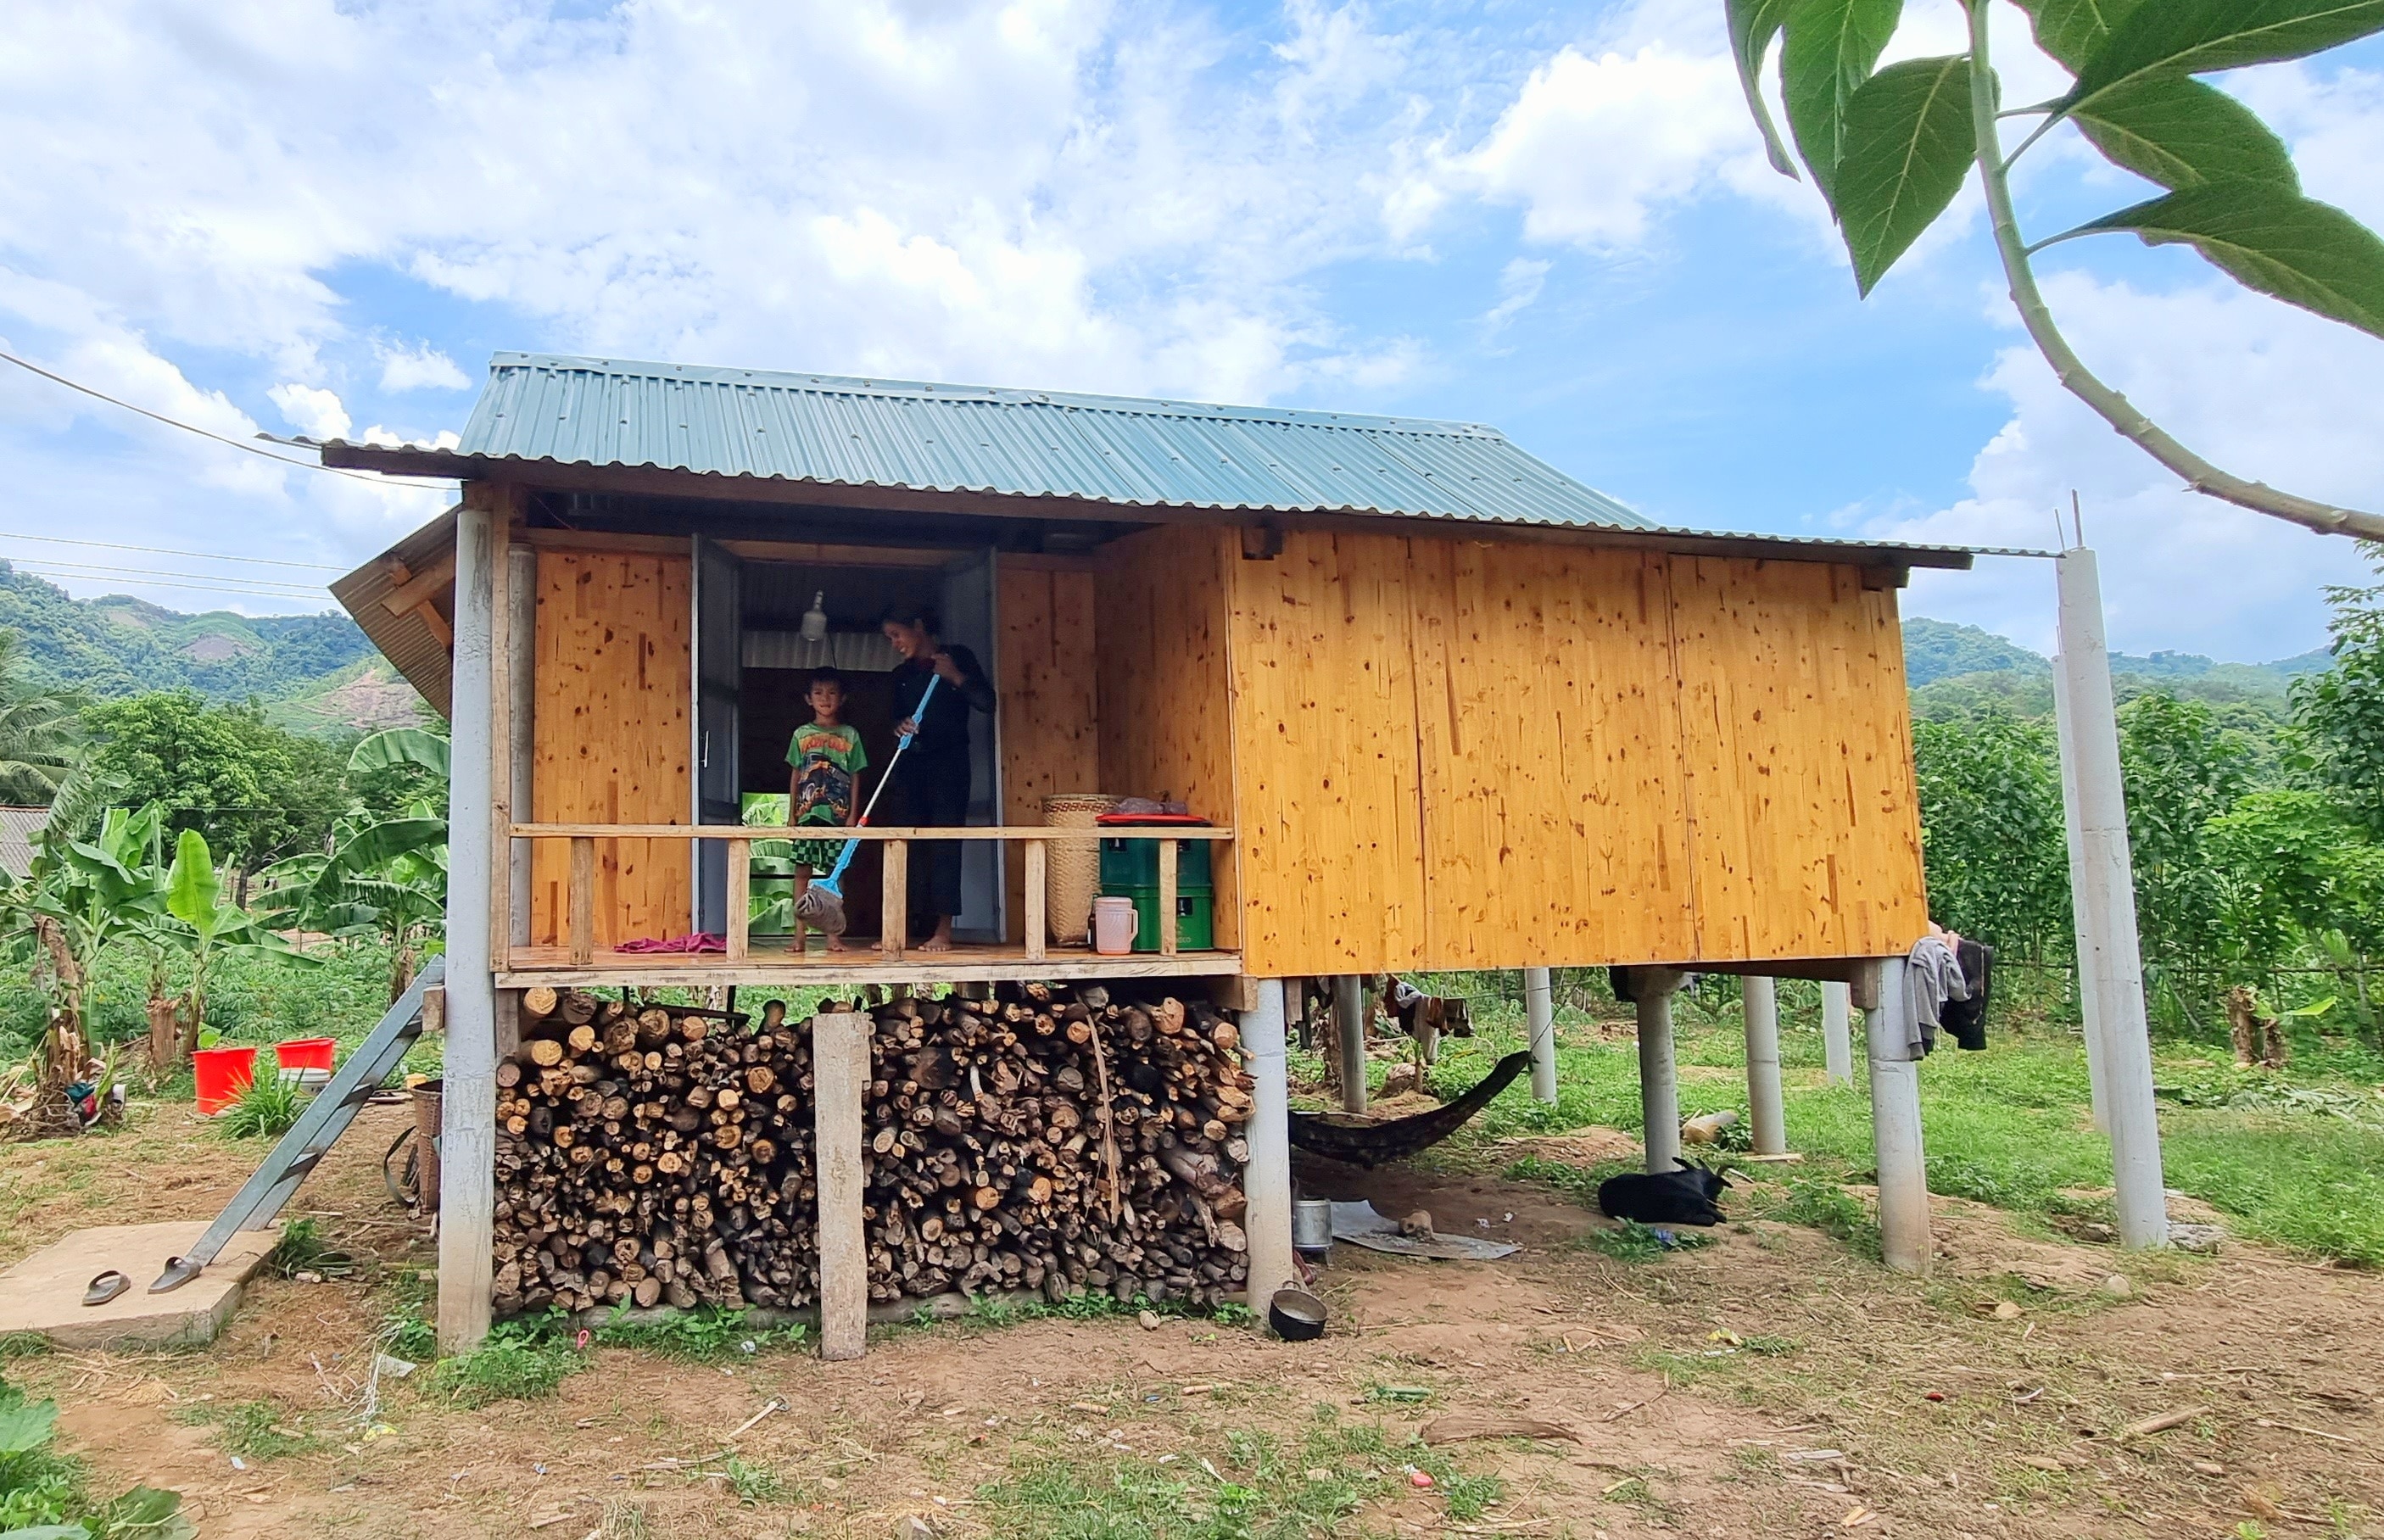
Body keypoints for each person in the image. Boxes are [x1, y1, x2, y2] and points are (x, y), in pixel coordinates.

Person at [879, 605, 997, 951]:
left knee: (945, 841)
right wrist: (898, 725)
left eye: (896, 634)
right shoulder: (901, 674)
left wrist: (955, 676)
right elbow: (891, 717)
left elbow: (986, 702)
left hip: (950, 765)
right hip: (911, 765)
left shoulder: (957, 657)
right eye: (889, 638)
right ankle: (900, 927)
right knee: (904, 841)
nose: (895, 643)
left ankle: (943, 930)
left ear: (918, 625)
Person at [784, 669, 868, 953]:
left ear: (842, 698)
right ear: (808, 699)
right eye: (818, 693)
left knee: (836, 873)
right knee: (801, 874)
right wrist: (792, 813)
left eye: (832, 693)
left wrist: (853, 814)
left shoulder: (850, 735)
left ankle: (833, 936)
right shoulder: (801, 734)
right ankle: (800, 936)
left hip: (838, 816)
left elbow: (856, 775)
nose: (825, 699)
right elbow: (796, 774)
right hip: (807, 815)